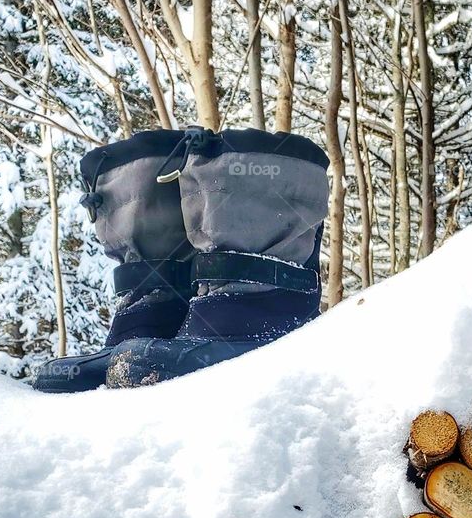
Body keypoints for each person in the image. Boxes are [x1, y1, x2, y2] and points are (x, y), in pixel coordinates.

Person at [32, 126, 329, 392]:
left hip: (241, 315)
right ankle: (156, 311)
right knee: (138, 343)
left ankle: (252, 305)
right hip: (200, 313)